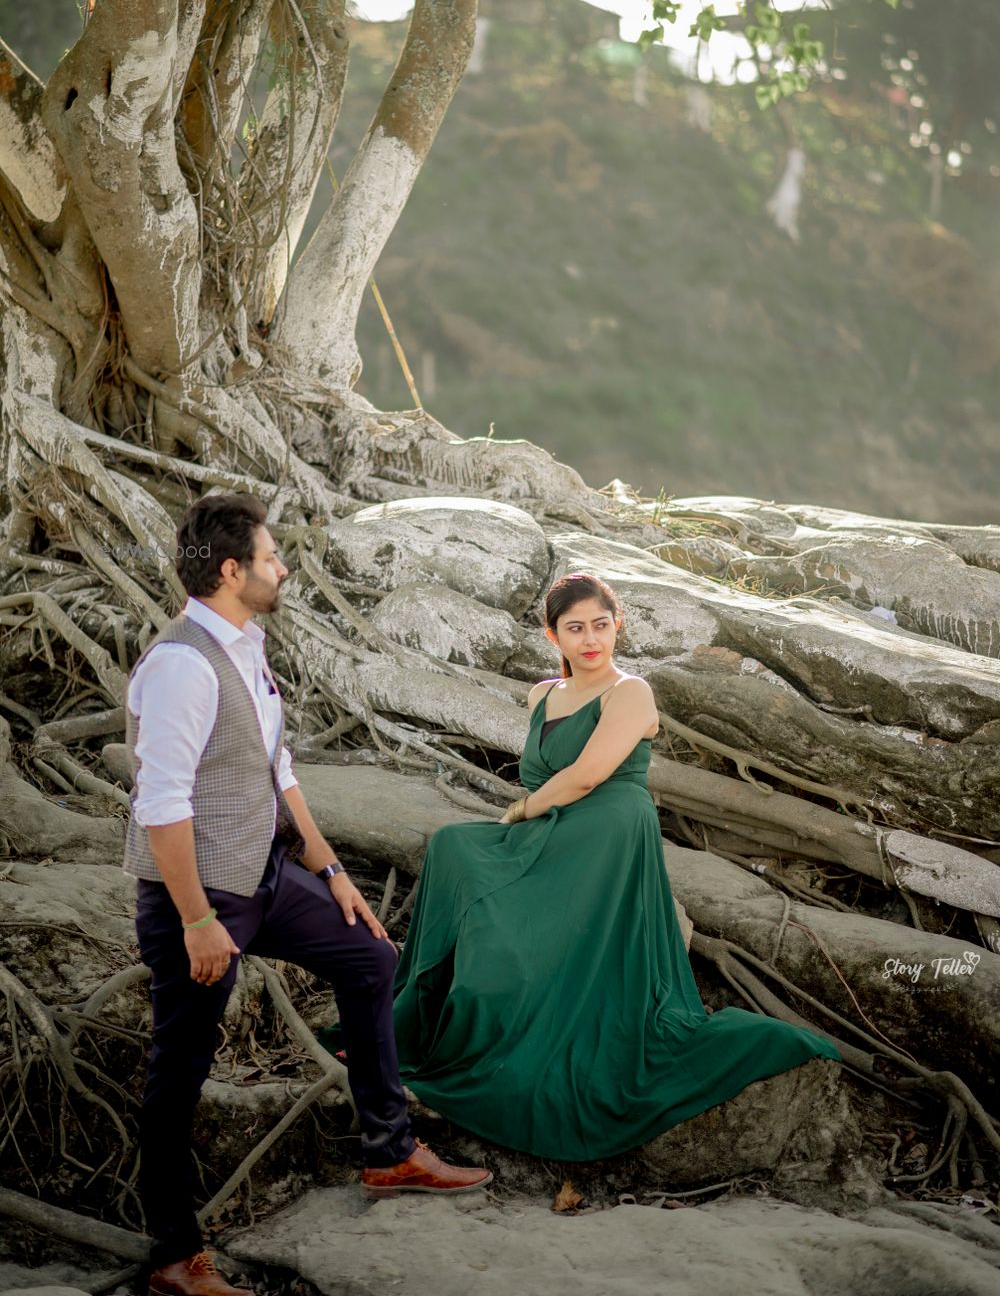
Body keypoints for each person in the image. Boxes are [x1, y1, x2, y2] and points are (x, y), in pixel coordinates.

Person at [124, 493, 490, 1296]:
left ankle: (389, 1150)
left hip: (264, 876)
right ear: (232, 570)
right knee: (179, 1068)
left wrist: (329, 869)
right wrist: (194, 919)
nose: (282, 566)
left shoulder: (247, 645)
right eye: (271, 556)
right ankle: (174, 1256)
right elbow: (163, 805)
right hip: (201, 899)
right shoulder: (182, 664)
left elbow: (275, 768)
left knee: (370, 953)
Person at [392, 571, 840, 1160]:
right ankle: (409, 1029)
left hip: (607, 832)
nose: (590, 639)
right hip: (553, 828)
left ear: (617, 625)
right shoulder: (542, 695)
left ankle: (522, 1009)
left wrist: (521, 808)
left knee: (511, 939)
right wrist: (528, 815)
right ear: (552, 634)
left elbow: (589, 773)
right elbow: (551, 773)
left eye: (600, 625)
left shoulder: (631, 692)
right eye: (574, 628)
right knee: (452, 846)